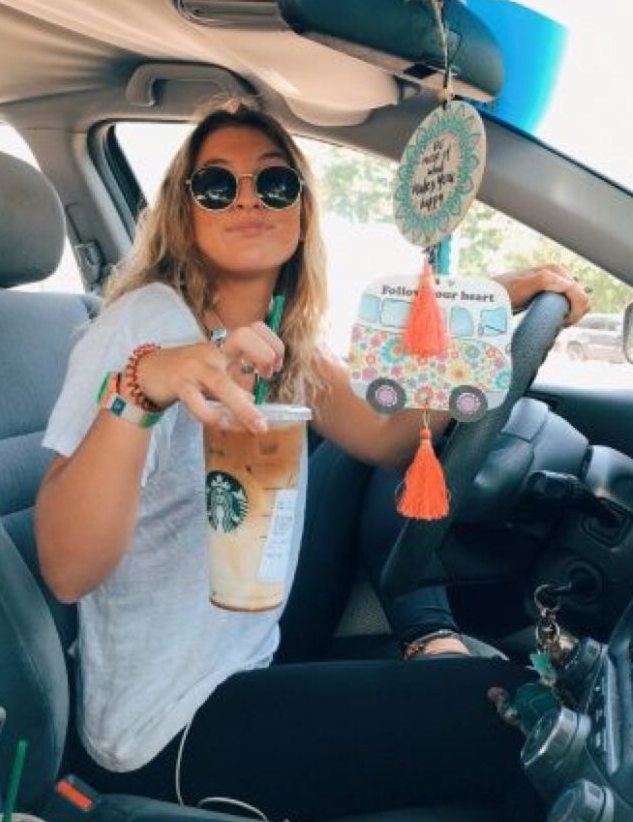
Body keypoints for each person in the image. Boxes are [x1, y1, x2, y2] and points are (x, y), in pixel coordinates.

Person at [36, 101, 590, 821]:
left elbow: (390, 440)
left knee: (510, 709)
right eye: (216, 185)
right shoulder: (145, 325)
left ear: (299, 208)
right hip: (165, 727)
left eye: (273, 184)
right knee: (521, 717)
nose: (245, 200)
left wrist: (486, 309)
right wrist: (142, 388)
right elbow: (68, 568)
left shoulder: (280, 341)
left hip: (248, 663)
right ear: (184, 209)